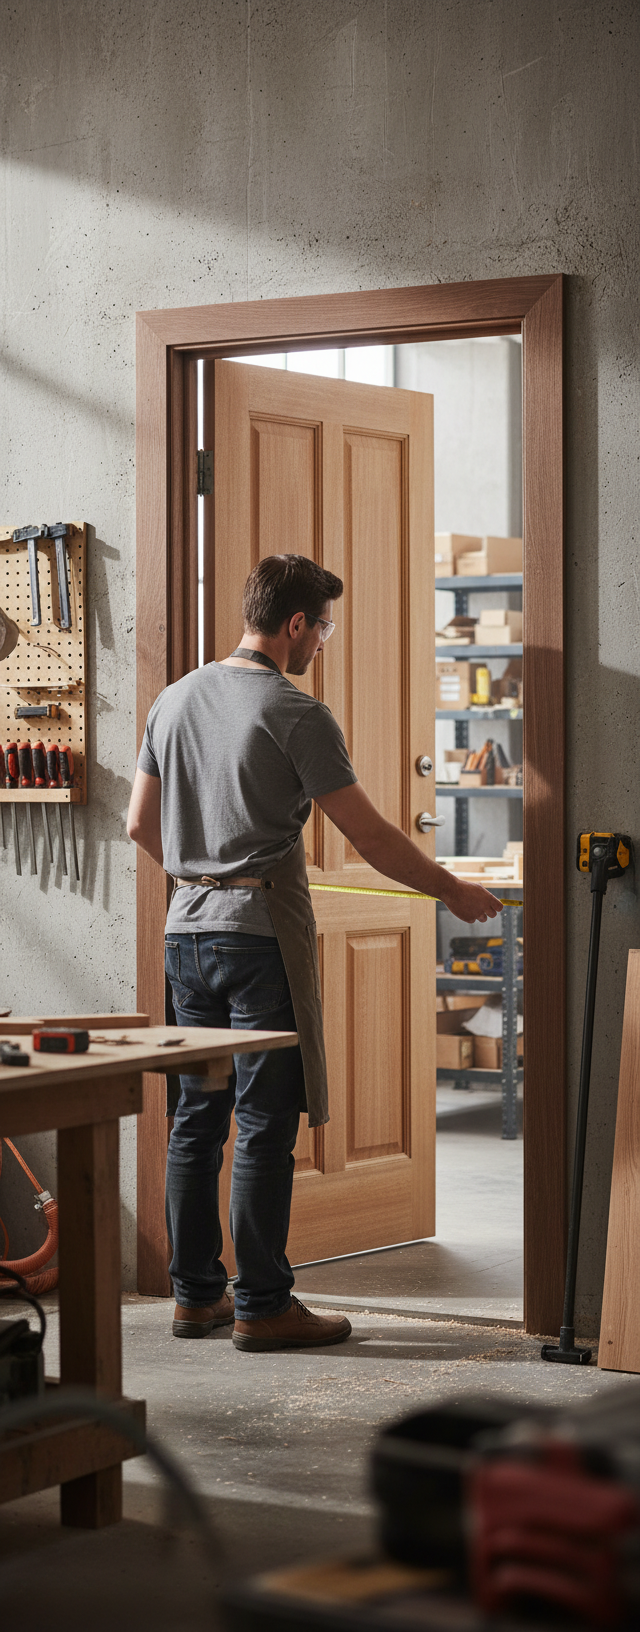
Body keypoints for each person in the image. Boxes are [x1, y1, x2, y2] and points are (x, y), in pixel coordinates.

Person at [127, 554, 501, 1354]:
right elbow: (366, 835)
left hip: (187, 931)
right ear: (295, 623)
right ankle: (262, 1304)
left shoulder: (173, 699)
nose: (324, 642)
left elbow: (137, 826)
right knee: (264, 1122)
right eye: (324, 627)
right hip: (258, 939)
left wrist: (201, 878)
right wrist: (452, 890)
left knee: (197, 1118)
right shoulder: (294, 711)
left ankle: (196, 1298)